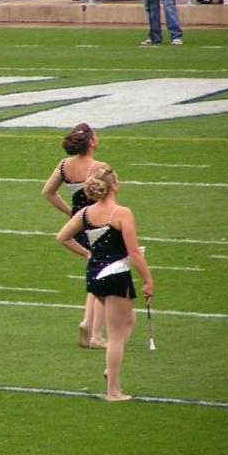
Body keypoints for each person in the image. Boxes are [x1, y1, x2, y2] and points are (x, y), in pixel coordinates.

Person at [56, 164, 153, 402]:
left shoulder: (85, 213)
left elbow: (62, 237)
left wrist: (87, 254)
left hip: (94, 274)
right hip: (116, 275)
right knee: (116, 336)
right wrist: (148, 280)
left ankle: (112, 374)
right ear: (114, 186)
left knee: (129, 319)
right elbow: (134, 251)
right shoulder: (122, 213)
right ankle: (113, 389)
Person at [42, 122, 107, 349]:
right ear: (91, 142)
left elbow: (48, 192)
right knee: (104, 278)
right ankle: (93, 330)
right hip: (100, 227)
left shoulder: (64, 165)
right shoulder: (100, 167)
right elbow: (109, 199)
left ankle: (88, 325)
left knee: (96, 273)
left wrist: (72, 214)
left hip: (79, 227)